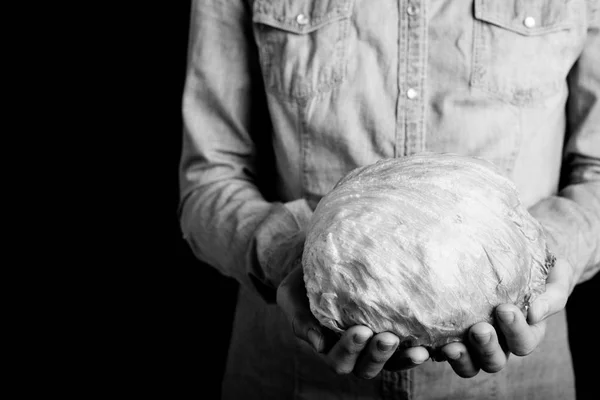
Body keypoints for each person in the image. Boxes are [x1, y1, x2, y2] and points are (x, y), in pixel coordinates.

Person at [178, 0, 599, 398]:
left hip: (517, 385)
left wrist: (545, 258)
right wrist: (287, 255)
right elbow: (211, 177)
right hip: (292, 375)